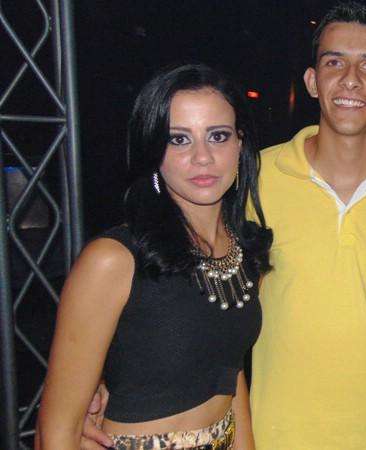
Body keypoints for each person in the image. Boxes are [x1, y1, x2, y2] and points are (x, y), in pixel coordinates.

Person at [36, 64, 272, 450]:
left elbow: (231, 376)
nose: (202, 157)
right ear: (153, 150)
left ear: (240, 143)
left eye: (218, 136)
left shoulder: (242, 253)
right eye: (178, 139)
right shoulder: (112, 260)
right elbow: (56, 430)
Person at [245, 2, 366, 448]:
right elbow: (207, 304)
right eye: (334, 62)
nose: (351, 79)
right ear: (312, 81)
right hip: (278, 437)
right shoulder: (256, 176)